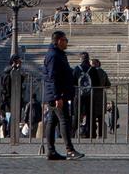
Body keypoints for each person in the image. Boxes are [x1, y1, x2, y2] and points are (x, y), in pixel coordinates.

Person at [43, 30, 82, 160]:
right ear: (59, 41)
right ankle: (69, 150)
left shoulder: (58, 54)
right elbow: (52, 77)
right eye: (65, 40)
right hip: (57, 94)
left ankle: (51, 151)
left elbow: (63, 72)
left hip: (58, 93)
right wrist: (57, 97)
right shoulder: (54, 55)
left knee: (52, 121)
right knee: (64, 120)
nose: (67, 43)